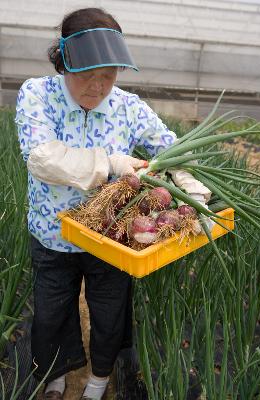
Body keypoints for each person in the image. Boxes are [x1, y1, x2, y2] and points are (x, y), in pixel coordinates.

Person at [15, 7, 211, 400]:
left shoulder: (128, 106)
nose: (97, 86)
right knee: (52, 310)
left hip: (111, 234)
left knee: (108, 311)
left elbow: (169, 149)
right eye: (87, 75)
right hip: (52, 231)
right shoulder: (38, 94)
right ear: (64, 63)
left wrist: (191, 185)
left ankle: (100, 379)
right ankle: (54, 376)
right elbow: (42, 157)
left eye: (108, 75)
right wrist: (110, 164)